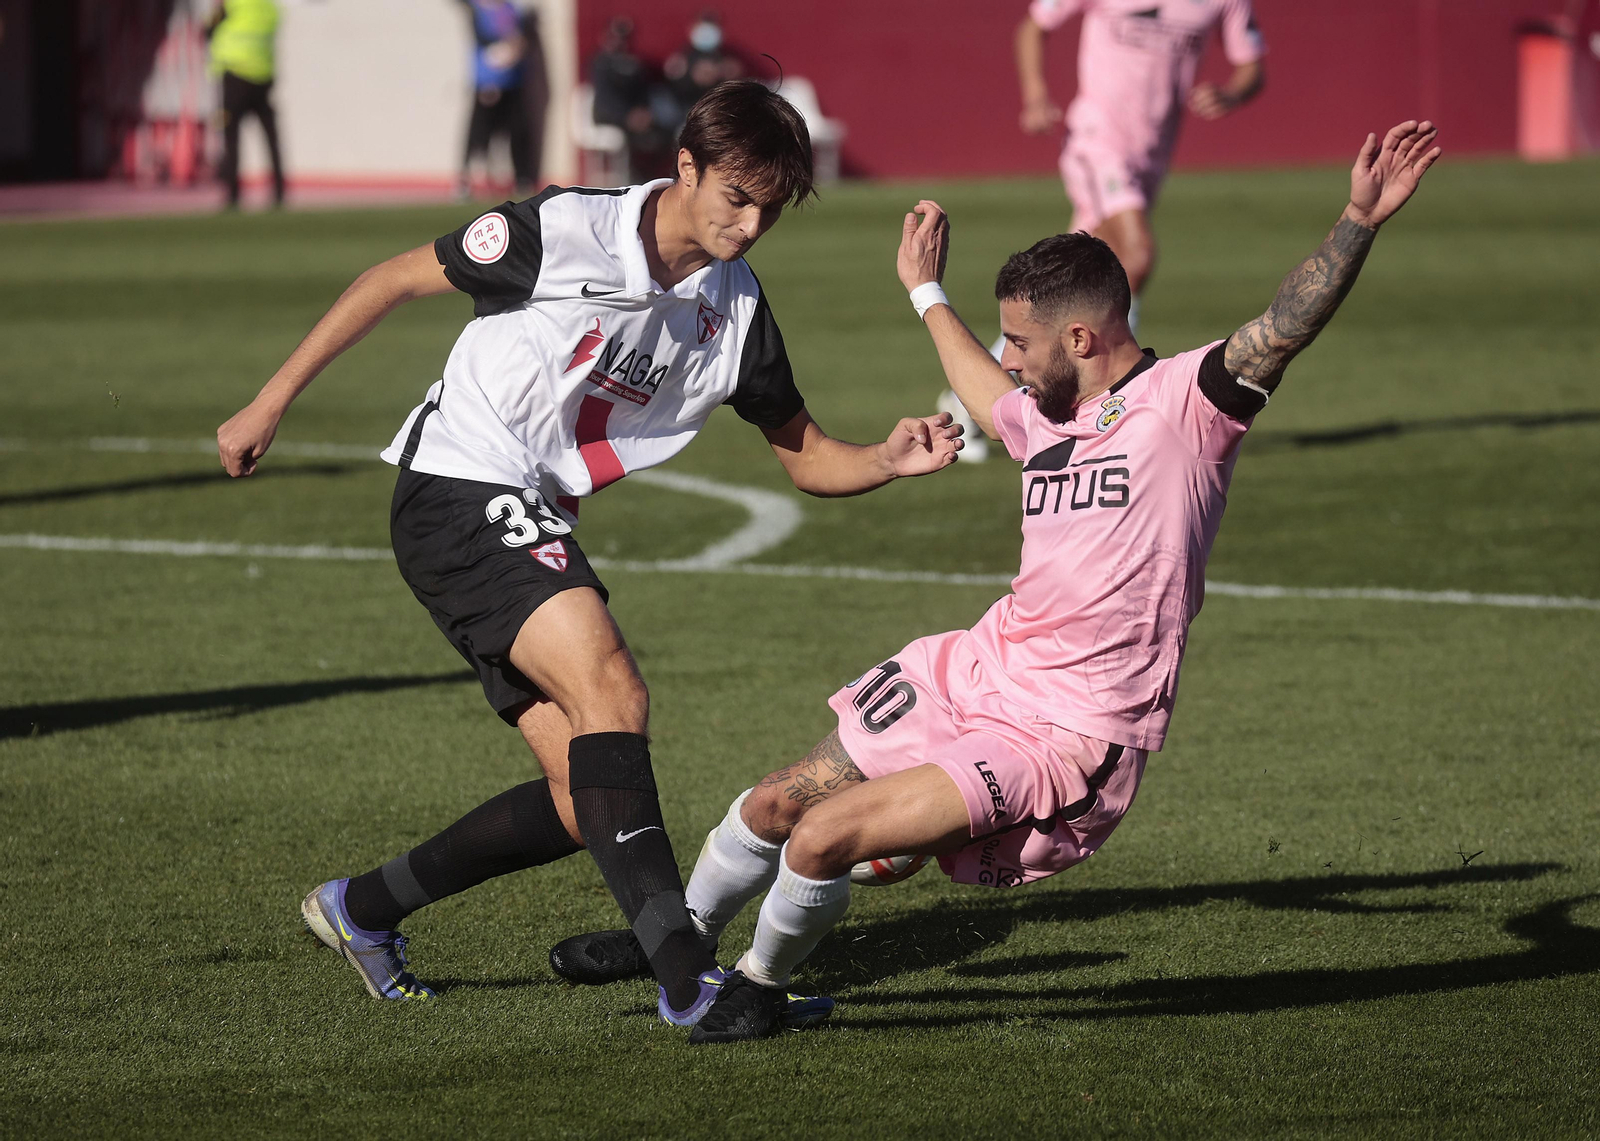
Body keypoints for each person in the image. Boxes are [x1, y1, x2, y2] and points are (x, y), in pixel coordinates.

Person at [551, 120, 1442, 1043]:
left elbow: (1280, 329)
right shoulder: (1047, 417)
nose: (1009, 357)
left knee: (825, 837)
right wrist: (924, 288)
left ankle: (757, 985)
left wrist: (1358, 220)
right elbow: (985, 391)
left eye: (1022, 340)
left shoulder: (1188, 405)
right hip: (978, 669)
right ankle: (677, 939)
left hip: (1066, 728)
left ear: (1085, 336)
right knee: (783, 799)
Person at [215, 80, 962, 1025]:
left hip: (527, 512)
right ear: (684, 168)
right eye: (737, 194)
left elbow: (807, 455)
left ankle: (361, 908)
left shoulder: (735, 309)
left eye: (772, 205)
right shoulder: (564, 230)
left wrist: (887, 460)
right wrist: (269, 400)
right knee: (616, 691)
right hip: (457, 485)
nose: (753, 221)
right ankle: (692, 983)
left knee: (585, 800)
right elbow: (394, 278)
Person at [943, 0, 1267, 461]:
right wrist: (1036, 96)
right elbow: (1032, 27)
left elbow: (1252, 66)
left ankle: (964, 406)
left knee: (1060, 288)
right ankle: (1118, 402)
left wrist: (1232, 94)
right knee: (1135, 258)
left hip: (1151, 153)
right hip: (1098, 139)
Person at [206, 0, 285, 209]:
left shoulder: (232, 4)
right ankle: (279, 191)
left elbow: (208, 29)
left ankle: (233, 194)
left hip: (235, 75)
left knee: (231, 138)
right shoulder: (267, 6)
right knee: (271, 137)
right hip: (263, 77)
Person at [456, 0, 535, 200]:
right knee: (478, 136)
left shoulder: (510, 9)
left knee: (518, 132)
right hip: (487, 85)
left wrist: (515, 48)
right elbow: (483, 40)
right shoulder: (477, 9)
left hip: (512, 83)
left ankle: (522, 179)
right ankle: (465, 181)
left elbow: (520, 39)